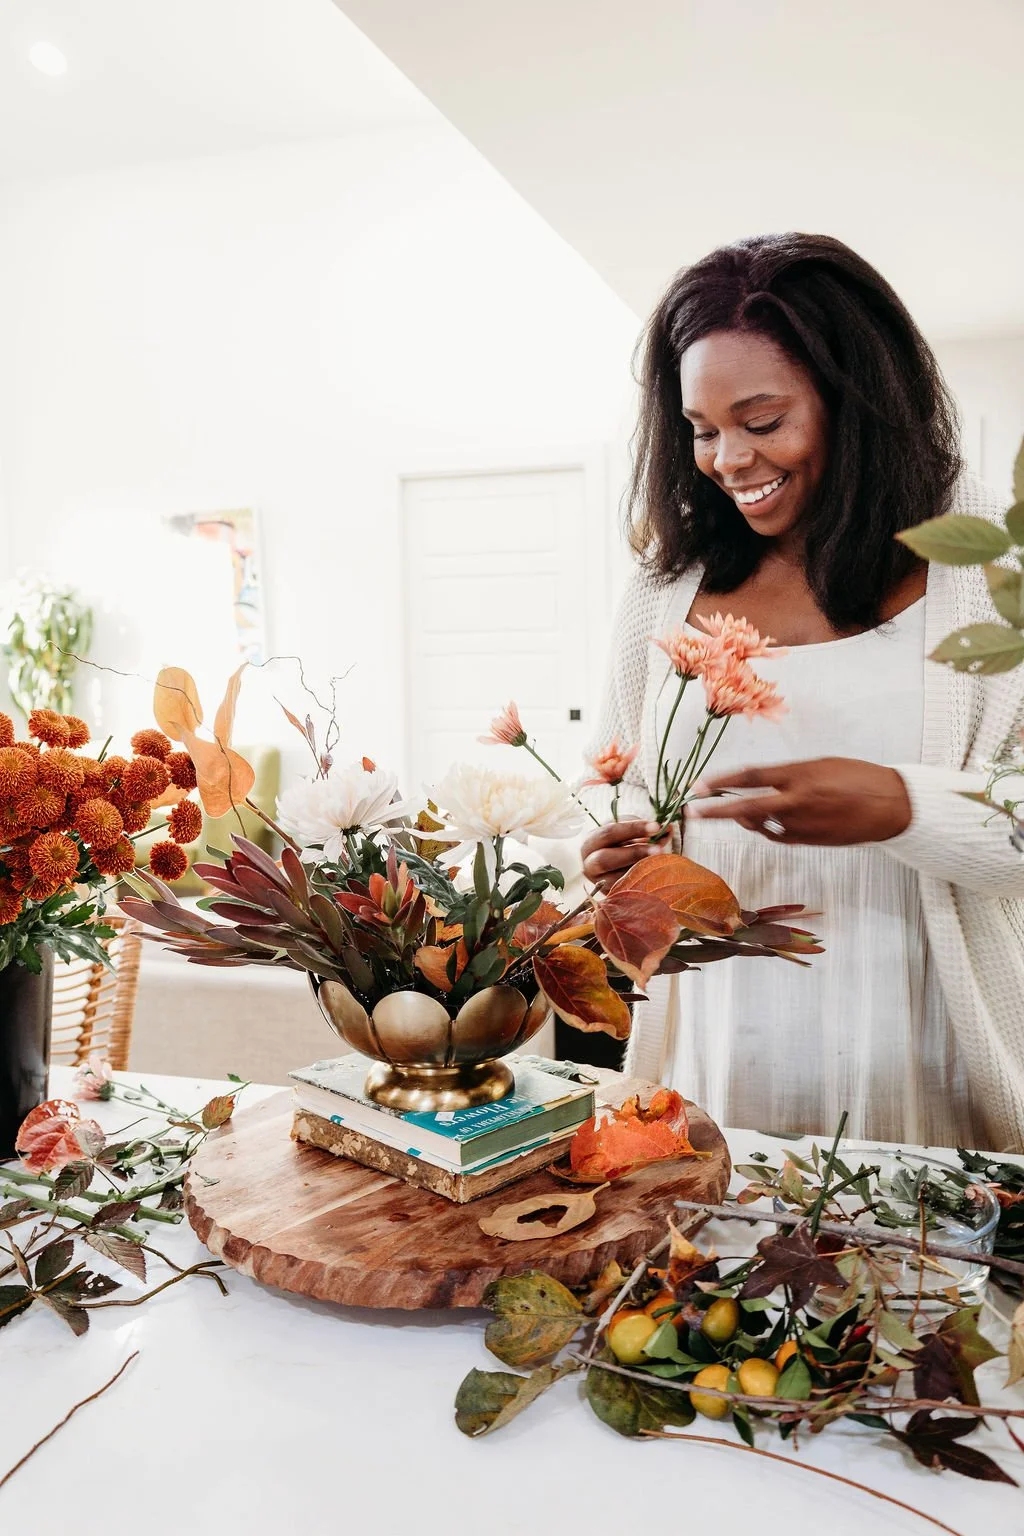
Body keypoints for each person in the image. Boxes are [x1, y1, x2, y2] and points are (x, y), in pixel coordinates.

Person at [581, 233, 1024, 1150]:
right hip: (721, 1062)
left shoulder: (989, 571)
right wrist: (616, 851)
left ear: (857, 405)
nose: (727, 459)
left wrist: (904, 806)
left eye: (763, 420)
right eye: (702, 430)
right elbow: (618, 783)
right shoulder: (668, 588)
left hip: (932, 1064)